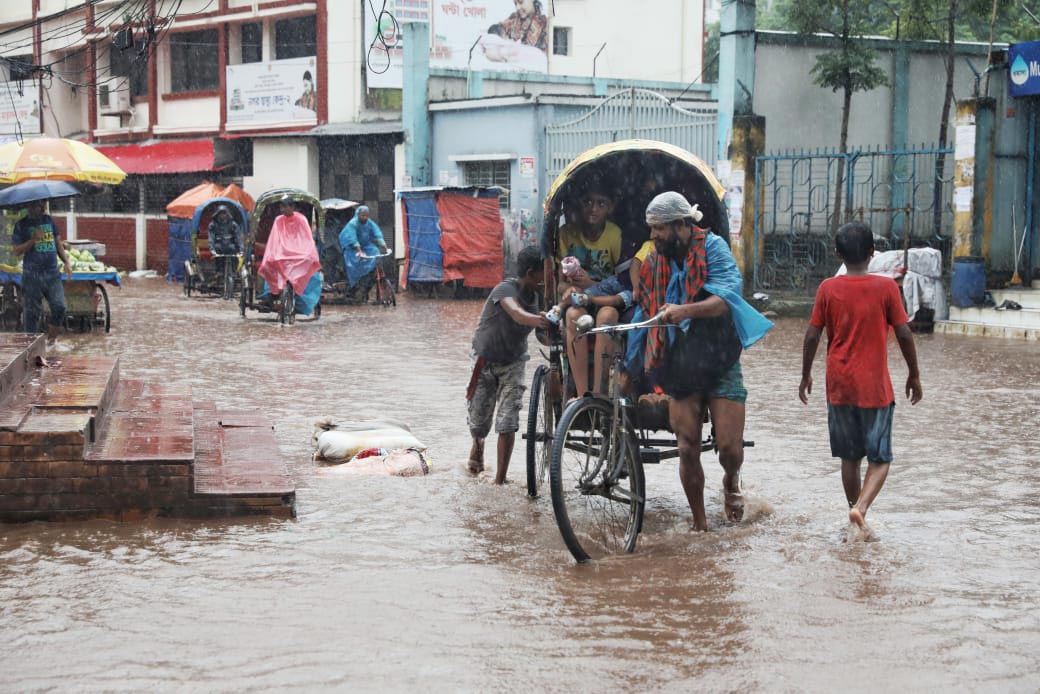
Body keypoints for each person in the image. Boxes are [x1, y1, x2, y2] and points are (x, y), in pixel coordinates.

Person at [630, 192, 773, 530]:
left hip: (719, 354)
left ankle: (730, 480)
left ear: (681, 224)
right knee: (687, 445)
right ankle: (700, 524)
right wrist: (631, 364)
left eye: (659, 229)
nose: (653, 237)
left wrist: (684, 311)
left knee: (729, 448)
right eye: (651, 230)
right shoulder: (655, 260)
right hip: (678, 361)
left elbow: (726, 298)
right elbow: (645, 306)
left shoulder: (713, 248)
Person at [799, 221, 923, 530]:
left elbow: (812, 335)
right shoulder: (886, 288)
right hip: (874, 387)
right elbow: (905, 334)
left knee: (849, 457)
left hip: (838, 385)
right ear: (872, 253)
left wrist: (805, 375)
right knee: (880, 459)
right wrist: (914, 375)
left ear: (837, 252)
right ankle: (862, 509)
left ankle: (854, 516)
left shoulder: (827, 288)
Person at [467, 245, 551, 483]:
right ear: (530, 273)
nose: (546, 279)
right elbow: (517, 314)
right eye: (542, 274)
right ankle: (478, 443)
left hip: (514, 362)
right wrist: (542, 321)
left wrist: (553, 330)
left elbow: (540, 335)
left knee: (508, 420)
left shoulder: (538, 298)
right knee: (479, 421)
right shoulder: (504, 289)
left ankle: (500, 480)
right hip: (484, 361)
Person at [556, 186, 622, 399]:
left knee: (608, 316)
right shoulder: (566, 234)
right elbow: (560, 284)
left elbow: (622, 282)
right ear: (580, 205)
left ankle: (599, 393)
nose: (593, 209)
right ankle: (584, 396)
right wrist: (572, 288)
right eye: (588, 202)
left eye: (601, 204)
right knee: (574, 316)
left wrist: (590, 283)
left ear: (610, 208)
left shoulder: (614, 235)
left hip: (605, 298)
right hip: (576, 302)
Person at [12, 199, 72, 345]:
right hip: (32, 275)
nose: (39, 208)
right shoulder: (20, 225)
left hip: (52, 273)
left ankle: (51, 342)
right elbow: (17, 251)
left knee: (59, 307)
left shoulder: (49, 220)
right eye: (34, 205)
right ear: (28, 206)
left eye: (40, 205)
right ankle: (31, 347)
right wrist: (33, 240)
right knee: (32, 313)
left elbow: (58, 244)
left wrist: (66, 262)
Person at [257, 196, 323, 316]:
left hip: (299, 252)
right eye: (281, 206)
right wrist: (275, 252)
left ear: (292, 207)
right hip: (282, 252)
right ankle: (272, 293)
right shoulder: (278, 220)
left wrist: (306, 252)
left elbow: (306, 238)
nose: (282, 209)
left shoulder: (301, 219)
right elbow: (275, 239)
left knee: (308, 262)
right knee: (271, 264)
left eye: (285, 206)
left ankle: (300, 296)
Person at [338, 205, 387, 303]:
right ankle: (356, 283)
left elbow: (377, 234)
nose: (365, 218)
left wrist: (385, 246)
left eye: (366, 216)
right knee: (355, 261)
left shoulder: (370, 223)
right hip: (353, 248)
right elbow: (352, 238)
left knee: (376, 252)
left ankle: (374, 270)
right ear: (358, 215)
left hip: (366, 246)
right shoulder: (353, 224)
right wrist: (359, 250)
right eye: (363, 215)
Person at [207, 205, 242, 279]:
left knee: (234, 250)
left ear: (227, 214)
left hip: (230, 245)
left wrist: (241, 249)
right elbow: (211, 237)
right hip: (219, 245)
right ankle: (219, 271)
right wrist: (212, 249)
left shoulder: (233, 224)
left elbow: (238, 237)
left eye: (224, 213)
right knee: (217, 250)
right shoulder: (213, 225)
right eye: (221, 213)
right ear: (217, 214)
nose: (223, 215)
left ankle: (234, 271)